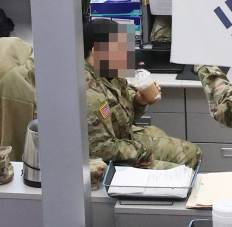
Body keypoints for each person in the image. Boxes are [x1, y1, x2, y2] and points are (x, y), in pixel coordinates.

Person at [85, 18, 201, 169]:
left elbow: (126, 116)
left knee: (192, 153)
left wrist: (139, 101)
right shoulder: (89, 93)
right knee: (180, 173)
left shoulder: (110, 70)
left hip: (126, 139)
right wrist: (142, 151)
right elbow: (102, 148)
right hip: (108, 159)